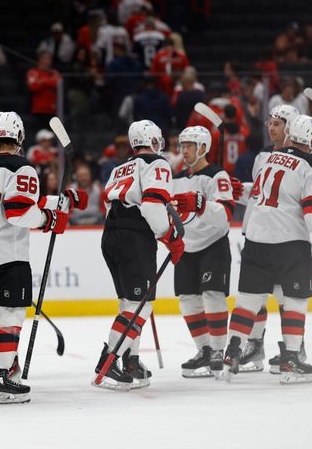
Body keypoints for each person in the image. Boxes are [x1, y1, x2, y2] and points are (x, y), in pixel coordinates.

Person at [0, 112, 73, 404]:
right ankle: (1, 378)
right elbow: (19, 213)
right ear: (19, 138)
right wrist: (48, 219)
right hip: (6, 256)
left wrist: (50, 206)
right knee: (10, 316)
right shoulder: (21, 168)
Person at [224, 115, 312, 384]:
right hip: (289, 243)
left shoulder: (270, 158)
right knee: (295, 301)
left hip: (255, 239)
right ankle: (291, 359)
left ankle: (233, 351)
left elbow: (257, 194)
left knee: (249, 300)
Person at [94, 120, 184, 390]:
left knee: (130, 302)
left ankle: (131, 359)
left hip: (111, 235)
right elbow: (153, 206)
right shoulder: (156, 163)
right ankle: (108, 362)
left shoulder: (119, 168)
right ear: (154, 141)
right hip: (135, 238)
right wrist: (170, 238)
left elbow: (106, 205)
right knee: (140, 305)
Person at [237, 104, 298, 373]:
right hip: (256, 235)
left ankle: (293, 347)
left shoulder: (301, 158)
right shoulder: (262, 156)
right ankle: (255, 346)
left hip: (284, 237)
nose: (271, 128)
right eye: (269, 123)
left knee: (286, 296)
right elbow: (261, 193)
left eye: (277, 123)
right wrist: (239, 190)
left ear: (291, 127)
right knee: (256, 295)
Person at [172, 126, 237, 378]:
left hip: (213, 244)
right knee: (188, 299)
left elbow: (225, 216)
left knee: (212, 295)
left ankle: (219, 351)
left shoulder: (217, 176)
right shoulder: (177, 179)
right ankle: (204, 350)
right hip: (186, 247)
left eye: (189, 145)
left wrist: (201, 205)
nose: (184, 150)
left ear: (203, 148)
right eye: (182, 145)